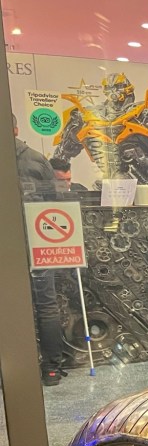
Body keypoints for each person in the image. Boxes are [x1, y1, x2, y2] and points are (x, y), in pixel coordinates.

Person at [13, 116, 66, 386]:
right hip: (38, 243)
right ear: (16, 128)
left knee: (9, 307)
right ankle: (52, 369)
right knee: (46, 305)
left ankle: (14, 370)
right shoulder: (36, 159)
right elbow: (55, 202)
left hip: (7, 249)